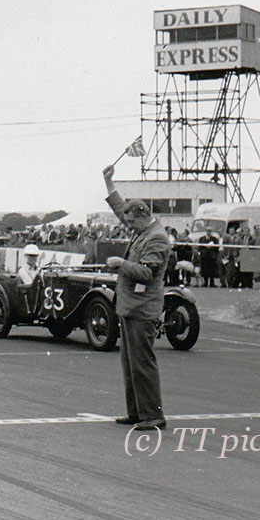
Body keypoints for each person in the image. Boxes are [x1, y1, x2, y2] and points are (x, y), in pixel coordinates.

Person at [102, 164, 170, 432]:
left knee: (142, 364)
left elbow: (146, 273)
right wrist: (109, 183)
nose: (126, 225)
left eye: (130, 222)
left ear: (142, 216)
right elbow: (122, 210)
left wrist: (120, 263)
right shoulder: (142, 229)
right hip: (131, 307)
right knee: (130, 364)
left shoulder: (157, 239)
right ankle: (137, 413)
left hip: (143, 309)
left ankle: (153, 415)